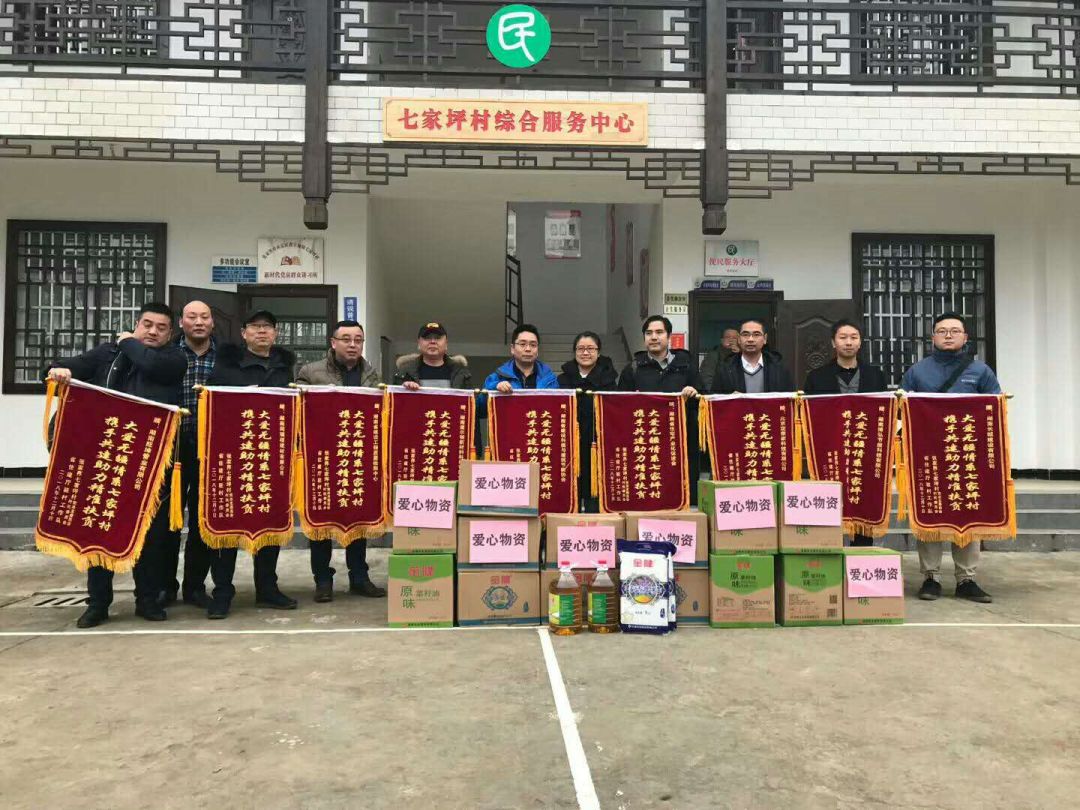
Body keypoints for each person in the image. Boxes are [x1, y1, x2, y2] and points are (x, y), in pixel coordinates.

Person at [46, 302, 186, 628]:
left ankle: (146, 600)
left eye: (161, 327)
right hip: (106, 458)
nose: (152, 331)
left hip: (149, 462)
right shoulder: (106, 354)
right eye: (147, 324)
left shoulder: (173, 359)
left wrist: (127, 341)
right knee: (100, 528)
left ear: (170, 334)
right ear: (137, 323)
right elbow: (64, 366)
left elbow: (149, 364)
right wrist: (59, 370)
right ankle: (98, 603)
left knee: (148, 536)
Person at [902, 312, 1001, 604]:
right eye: (942, 330)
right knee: (930, 511)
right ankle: (930, 577)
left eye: (954, 330)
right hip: (928, 453)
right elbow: (901, 410)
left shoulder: (980, 371)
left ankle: (966, 579)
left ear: (965, 337)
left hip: (967, 453)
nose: (948, 335)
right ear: (932, 337)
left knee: (967, 511)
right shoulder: (917, 371)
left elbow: (995, 408)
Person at [204, 310, 298, 618]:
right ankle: (222, 593)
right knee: (228, 526)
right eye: (255, 327)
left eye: (267, 327)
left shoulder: (284, 367)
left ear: (275, 333)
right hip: (233, 456)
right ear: (244, 333)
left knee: (270, 522)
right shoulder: (225, 366)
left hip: (272, 457)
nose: (262, 332)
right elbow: (213, 404)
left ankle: (267, 589)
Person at [296, 320, 386, 602]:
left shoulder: (371, 375)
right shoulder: (310, 372)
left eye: (358, 340)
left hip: (357, 456)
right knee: (321, 521)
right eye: (346, 339)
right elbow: (297, 408)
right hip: (321, 458)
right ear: (333, 343)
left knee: (358, 518)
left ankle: (359, 577)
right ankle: (323, 580)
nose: (352, 345)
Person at [803, 319, 888, 548]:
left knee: (863, 496)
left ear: (860, 342)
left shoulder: (876, 376)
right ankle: (829, 549)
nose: (848, 342)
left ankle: (861, 553)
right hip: (830, 450)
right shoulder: (816, 377)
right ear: (833, 342)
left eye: (853, 337)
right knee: (831, 499)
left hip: (864, 449)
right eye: (843, 337)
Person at [159, 301, 217, 609]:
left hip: (210, 450)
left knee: (201, 521)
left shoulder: (225, 357)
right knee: (167, 521)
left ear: (212, 323)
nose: (199, 322)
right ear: (181, 323)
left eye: (204, 317)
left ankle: (195, 587)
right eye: (192, 317)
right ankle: (165, 586)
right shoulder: (166, 354)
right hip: (171, 448)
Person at [618, 315, 701, 504]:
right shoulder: (633, 369)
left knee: (681, 492)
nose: (654, 337)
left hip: (680, 441)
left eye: (659, 332)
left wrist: (694, 393)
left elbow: (703, 398)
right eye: (649, 333)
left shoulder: (686, 366)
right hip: (645, 442)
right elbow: (620, 405)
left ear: (669, 336)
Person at [557, 331, 618, 511]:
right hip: (569, 445)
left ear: (599, 353)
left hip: (598, 445)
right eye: (581, 348)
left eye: (590, 348)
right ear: (574, 352)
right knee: (570, 492)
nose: (585, 353)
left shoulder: (609, 379)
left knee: (595, 493)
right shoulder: (562, 379)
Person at [711, 319, 794, 394]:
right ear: (739, 339)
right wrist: (730, 399)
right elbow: (713, 400)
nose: (750, 339)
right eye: (745, 334)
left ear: (765, 339)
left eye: (756, 334)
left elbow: (790, 399)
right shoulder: (725, 368)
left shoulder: (779, 367)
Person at [483, 323, 559, 396]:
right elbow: (481, 403)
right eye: (522, 344)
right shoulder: (499, 377)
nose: (528, 349)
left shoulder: (550, 379)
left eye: (533, 345)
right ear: (512, 349)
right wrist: (494, 388)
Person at [393, 322, 472, 390]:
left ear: (446, 344)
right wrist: (405, 390)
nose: (433, 341)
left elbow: (470, 401)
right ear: (419, 343)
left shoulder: (461, 373)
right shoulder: (404, 373)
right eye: (427, 338)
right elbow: (395, 401)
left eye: (437, 338)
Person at [699, 327, 741, 392]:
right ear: (722, 340)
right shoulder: (713, 356)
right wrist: (713, 394)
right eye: (727, 337)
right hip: (720, 394)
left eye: (734, 338)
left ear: (739, 341)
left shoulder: (742, 355)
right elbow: (707, 378)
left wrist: (740, 354)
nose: (731, 340)